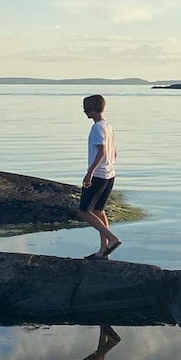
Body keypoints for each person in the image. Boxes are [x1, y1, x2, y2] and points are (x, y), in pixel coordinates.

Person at [79, 94, 121, 259]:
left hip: (99, 175)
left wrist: (90, 173)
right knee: (98, 210)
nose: (84, 112)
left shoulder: (97, 128)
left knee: (83, 211)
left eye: (86, 108)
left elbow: (102, 151)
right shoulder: (108, 127)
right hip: (110, 174)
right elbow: (114, 152)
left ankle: (112, 239)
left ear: (92, 109)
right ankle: (103, 251)